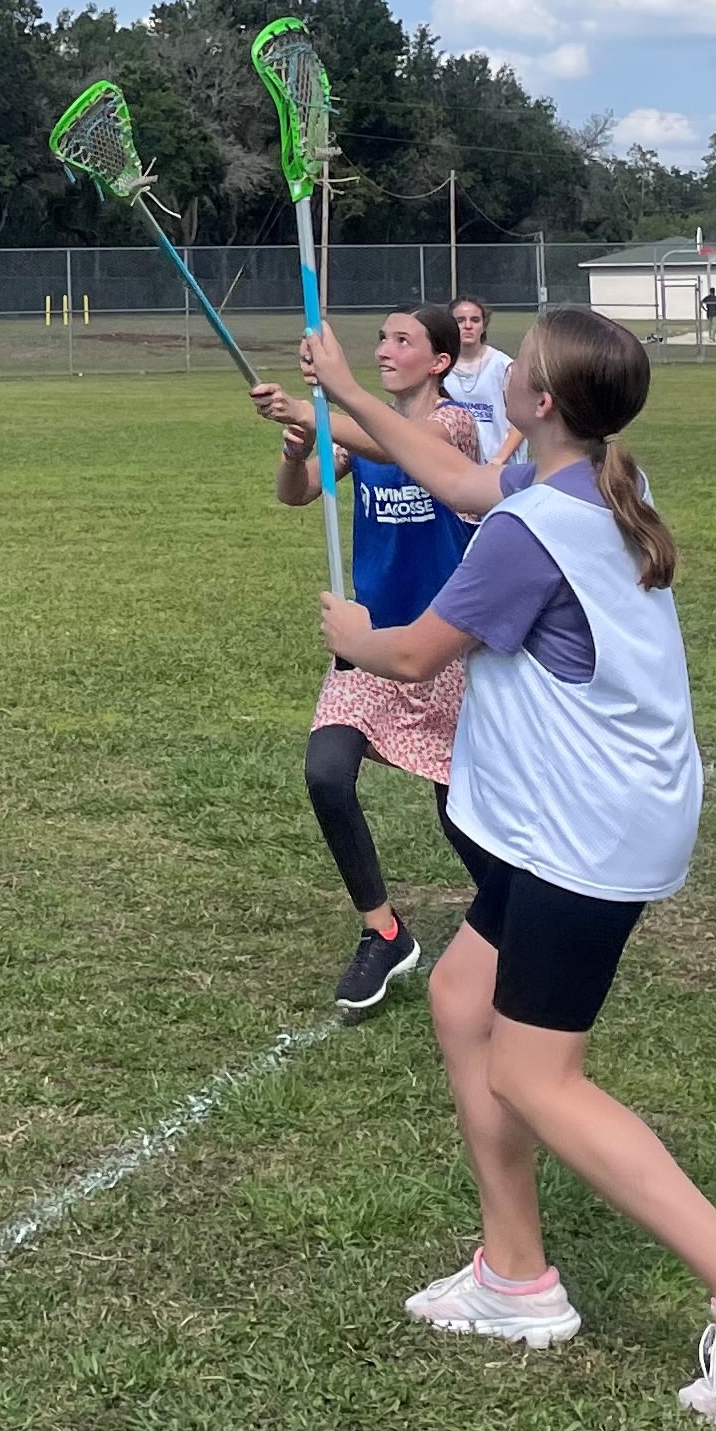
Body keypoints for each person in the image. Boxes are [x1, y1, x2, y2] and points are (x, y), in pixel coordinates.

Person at [300, 306, 716, 1427]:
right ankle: (515, 1276)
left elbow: (409, 659)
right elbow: (457, 483)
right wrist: (351, 398)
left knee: (536, 1076)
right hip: (585, 820)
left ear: (539, 401)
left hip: (584, 836)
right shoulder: (579, 491)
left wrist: (354, 636)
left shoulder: (528, 531)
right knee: (462, 998)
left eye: (525, 364)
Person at [249, 306, 485, 1012]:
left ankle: (517, 915)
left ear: (439, 361)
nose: (385, 349)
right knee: (326, 772)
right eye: (381, 338)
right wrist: (297, 446)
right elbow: (298, 494)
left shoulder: (453, 426)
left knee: (462, 814)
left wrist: (312, 405)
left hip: (443, 646)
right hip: (371, 641)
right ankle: (382, 932)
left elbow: (398, 447)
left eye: (402, 340)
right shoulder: (363, 429)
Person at [445, 296, 524, 468]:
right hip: (457, 469)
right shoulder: (442, 367)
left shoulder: (503, 366)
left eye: (475, 320)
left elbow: (520, 423)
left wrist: (499, 460)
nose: (468, 326)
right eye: (460, 320)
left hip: (500, 468)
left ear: (483, 325)